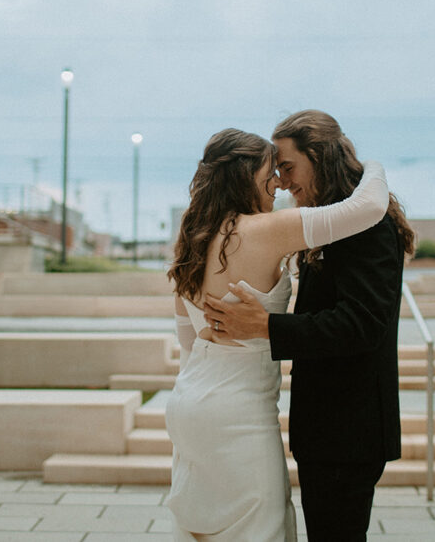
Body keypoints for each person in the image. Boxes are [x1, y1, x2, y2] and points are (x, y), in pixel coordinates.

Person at [165, 127, 392, 541]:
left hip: (189, 402)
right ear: (246, 175)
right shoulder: (265, 230)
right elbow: (370, 206)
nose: (279, 183)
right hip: (239, 411)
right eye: (272, 171)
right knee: (259, 526)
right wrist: (371, 164)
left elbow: (187, 339)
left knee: (203, 531)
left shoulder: (192, 235)